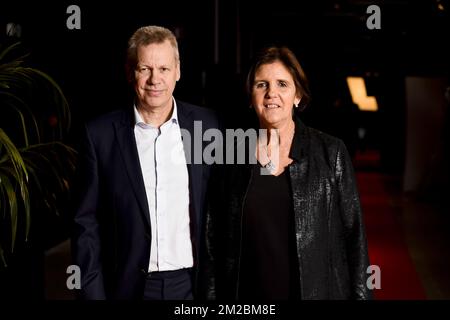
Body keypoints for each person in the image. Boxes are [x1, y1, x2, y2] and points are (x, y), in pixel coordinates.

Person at [211, 46, 372, 300]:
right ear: (251, 97)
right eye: (261, 85)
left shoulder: (331, 152)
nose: (271, 93)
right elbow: (214, 243)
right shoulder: (230, 156)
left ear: (297, 95)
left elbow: (355, 240)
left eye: (282, 84)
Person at [72, 25, 218, 300]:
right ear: (130, 73)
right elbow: (85, 223)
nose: (155, 79)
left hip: (191, 285)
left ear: (178, 71)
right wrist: (92, 293)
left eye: (163, 69)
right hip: (127, 288)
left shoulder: (207, 127)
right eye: (145, 69)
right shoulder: (99, 135)